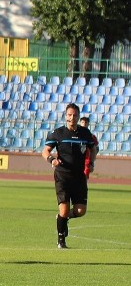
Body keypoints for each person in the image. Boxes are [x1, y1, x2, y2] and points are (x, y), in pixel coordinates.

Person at [42, 103, 96, 249]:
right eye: (69, 115)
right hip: (62, 176)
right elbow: (45, 151)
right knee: (64, 209)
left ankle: (63, 219)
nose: (72, 117)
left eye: (75, 115)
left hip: (79, 177)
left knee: (80, 211)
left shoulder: (85, 133)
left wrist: (91, 162)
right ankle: (61, 241)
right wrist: (52, 159)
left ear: (78, 117)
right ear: (65, 116)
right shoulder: (58, 133)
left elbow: (93, 148)